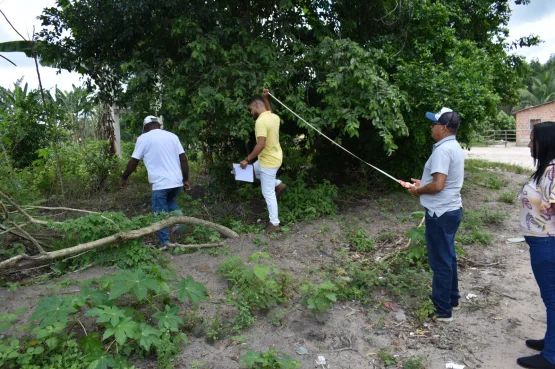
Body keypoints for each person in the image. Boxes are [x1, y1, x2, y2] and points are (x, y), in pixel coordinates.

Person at [407, 107, 464, 322]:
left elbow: (439, 185)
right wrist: (424, 184)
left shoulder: (441, 150)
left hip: (440, 212)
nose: (431, 127)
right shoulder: (454, 147)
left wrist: (418, 190)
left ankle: (442, 310)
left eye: (434, 124)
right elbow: (444, 181)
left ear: (443, 128)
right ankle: (452, 298)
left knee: (440, 261)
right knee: (448, 256)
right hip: (451, 209)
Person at [517, 122, 555, 369]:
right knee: (550, 298)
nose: (530, 144)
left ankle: (551, 357)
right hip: (541, 242)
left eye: (533, 140)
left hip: (547, 244)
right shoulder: (546, 170)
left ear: (546, 142)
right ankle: (551, 341)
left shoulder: (552, 171)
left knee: (552, 299)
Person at [120, 115, 191, 247]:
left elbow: (133, 161)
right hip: (176, 182)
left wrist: (124, 177)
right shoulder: (172, 136)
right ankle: (181, 220)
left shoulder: (143, 138)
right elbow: (184, 159)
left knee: (159, 215)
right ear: (159, 125)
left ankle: (165, 243)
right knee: (169, 201)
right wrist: (185, 179)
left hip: (161, 184)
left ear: (146, 127)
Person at [240, 88, 287, 232]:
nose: (251, 112)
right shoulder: (274, 117)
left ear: (256, 105)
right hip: (275, 157)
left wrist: (246, 159)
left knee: (267, 193)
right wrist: (266, 98)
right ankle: (278, 184)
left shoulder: (260, 122)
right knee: (253, 171)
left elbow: (260, 145)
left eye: (251, 109)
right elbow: (270, 112)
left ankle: (274, 224)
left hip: (268, 162)